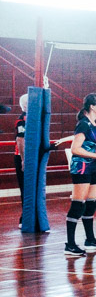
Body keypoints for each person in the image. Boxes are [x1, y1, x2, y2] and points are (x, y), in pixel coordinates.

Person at [65, 94, 96, 256]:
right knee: (78, 204)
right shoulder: (83, 124)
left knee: (91, 203)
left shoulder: (95, 124)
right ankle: (70, 245)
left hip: (93, 167)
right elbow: (75, 149)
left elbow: (94, 146)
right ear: (92, 106)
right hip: (81, 168)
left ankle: (90, 240)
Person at [15, 94, 26, 226]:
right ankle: (25, 217)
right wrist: (23, 159)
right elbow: (20, 139)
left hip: (33, 157)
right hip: (22, 157)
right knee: (25, 188)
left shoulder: (35, 117)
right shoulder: (21, 120)